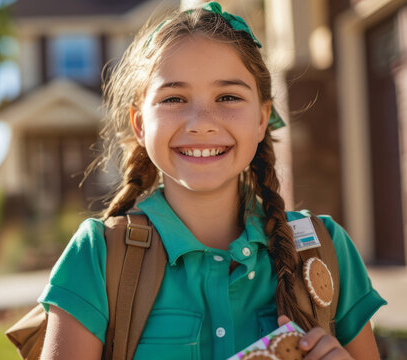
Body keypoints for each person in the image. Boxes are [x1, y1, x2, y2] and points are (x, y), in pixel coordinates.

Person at [37, 2, 386, 359]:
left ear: (262, 118)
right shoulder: (97, 257)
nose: (201, 122)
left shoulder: (325, 250)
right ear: (140, 124)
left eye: (228, 97)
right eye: (174, 98)